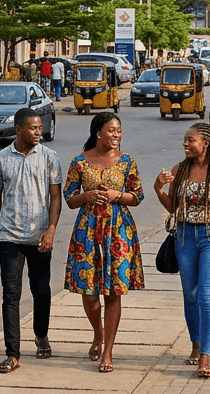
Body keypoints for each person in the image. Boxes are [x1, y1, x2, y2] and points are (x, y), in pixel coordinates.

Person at [155, 122, 210, 379]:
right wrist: (157, 188)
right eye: (184, 140)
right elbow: (172, 207)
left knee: (206, 295)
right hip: (184, 237)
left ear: (205, 143)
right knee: (190, 295)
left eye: (190, 140)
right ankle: (195, 343)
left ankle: (204, 355)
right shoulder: (178, 170)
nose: (185, 144)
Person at [0, 107, 63, 374]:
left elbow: (55, 197)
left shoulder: (50, 158)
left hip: (40, 237)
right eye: (33, 128)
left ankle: (41, 335)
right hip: (10, 238)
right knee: (11, 295)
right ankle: (12, 353)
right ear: (18, 130)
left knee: (41, 292)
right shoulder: (0, 160)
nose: (38, 131)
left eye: (40, 127)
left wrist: (51, 229)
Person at [64, 113, 144, 374]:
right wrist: (86, 196)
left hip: (118, 230)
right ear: (98, 132)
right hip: (87, 231)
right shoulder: (79, 162)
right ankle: (98, 332)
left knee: (113, 292)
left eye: (119, 131)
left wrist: (116, 195)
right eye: (111, 131)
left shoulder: (126, 161)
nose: (116, 135)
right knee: (89, 293)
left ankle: (108, 351)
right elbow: (69, 199)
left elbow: (137, 196)